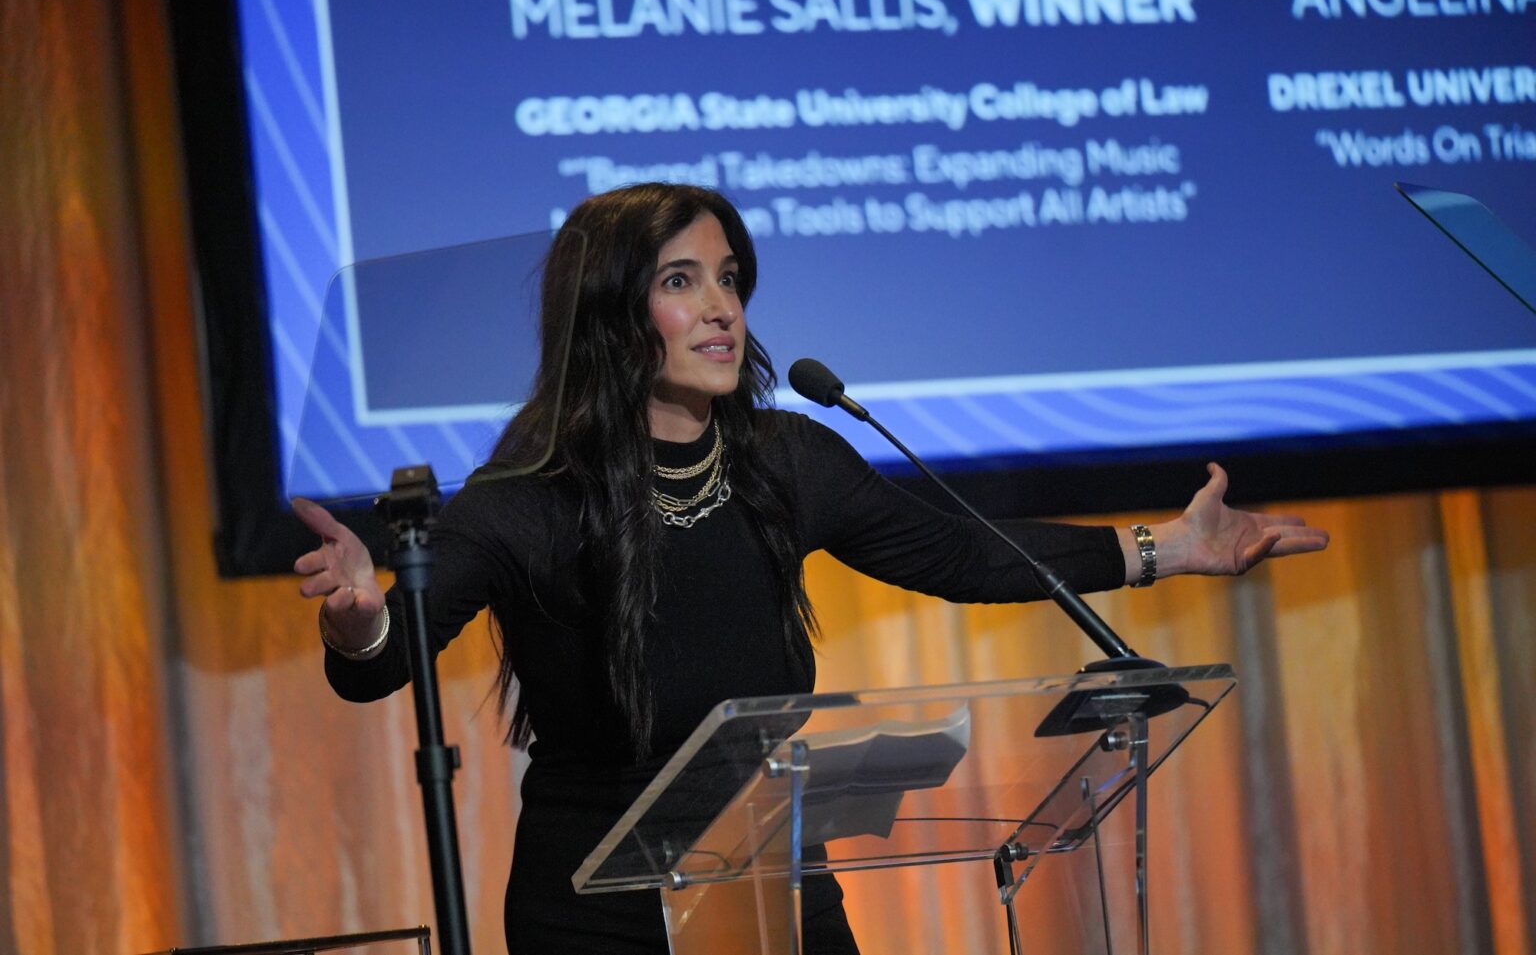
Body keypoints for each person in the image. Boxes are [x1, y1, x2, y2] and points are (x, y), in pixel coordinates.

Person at [293, 182, 1328, 954]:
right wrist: (357, 616)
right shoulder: (532, 492)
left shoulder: (784, 461)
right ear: (613, 312)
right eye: (682, 281)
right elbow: (390, 654)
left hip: (776, 883)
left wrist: (1165, 548)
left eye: (731, 280)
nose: (722, 309)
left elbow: (962, 550)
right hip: (597, 908)